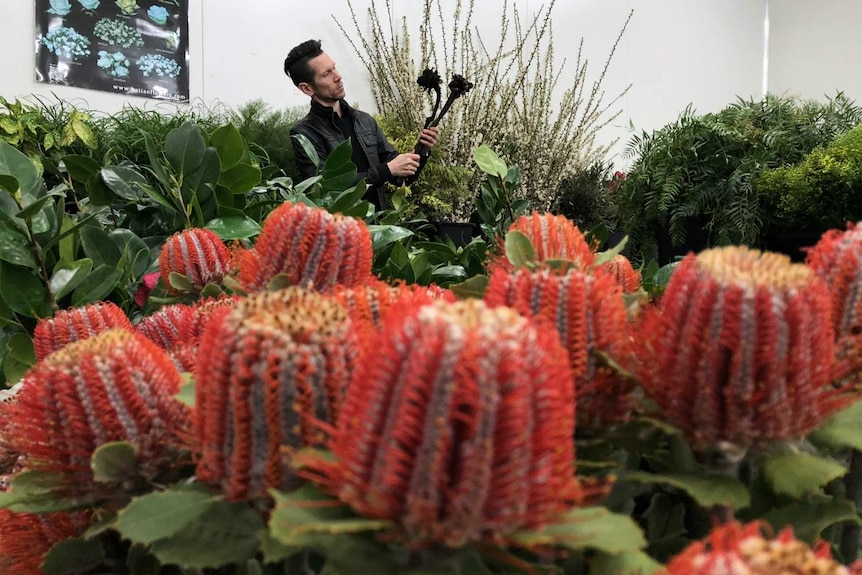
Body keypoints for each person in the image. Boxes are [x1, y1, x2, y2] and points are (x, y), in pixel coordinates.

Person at [284, 39, 439, 210]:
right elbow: (323, 187)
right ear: (307, 89)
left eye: (334, 67)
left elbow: (401, 177)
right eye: (326, 74)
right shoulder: (304, 134)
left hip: (378, 230)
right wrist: (385, 171)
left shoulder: (364, 121)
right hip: (341, 230)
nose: (338, 76)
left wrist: (421, 151)